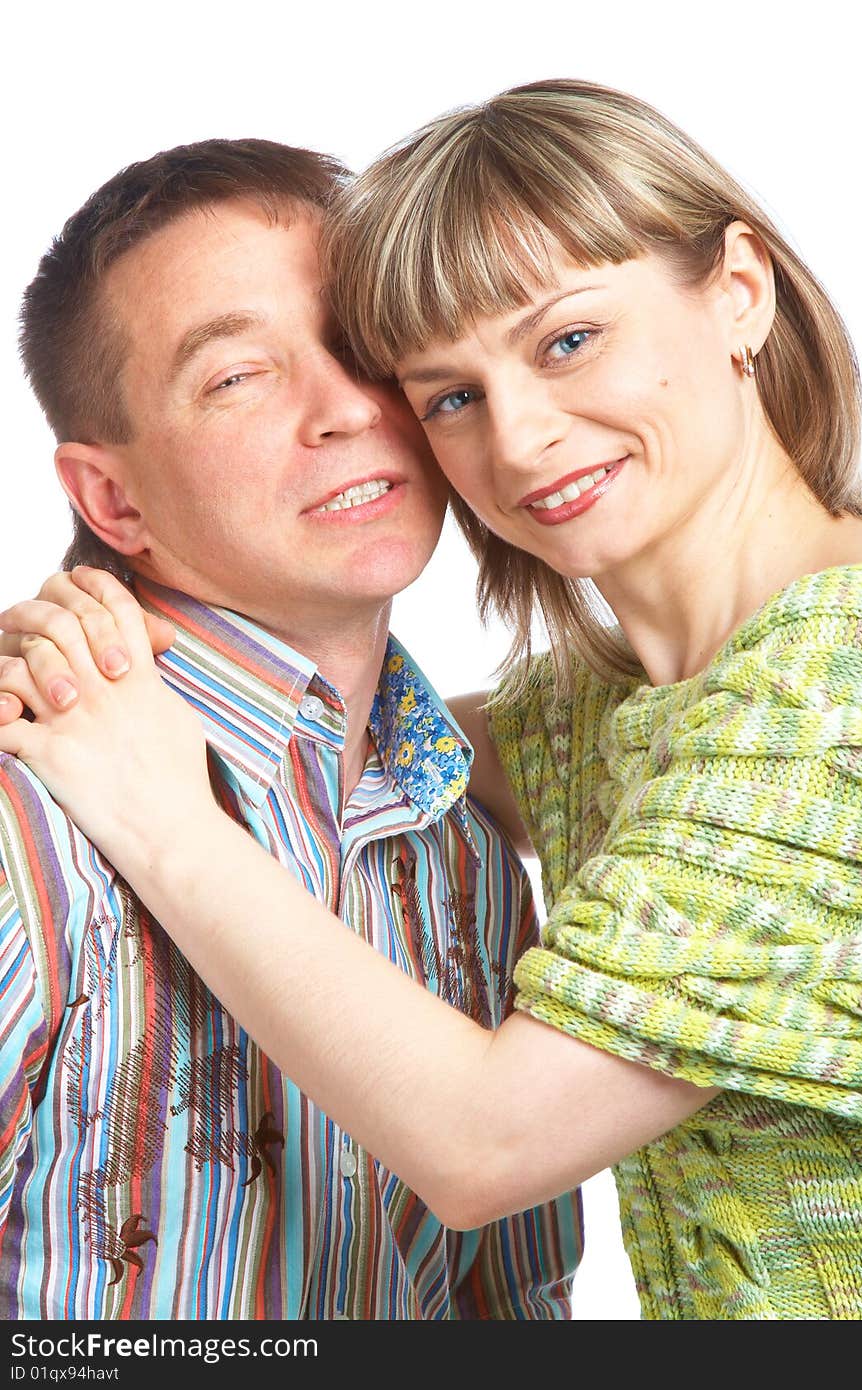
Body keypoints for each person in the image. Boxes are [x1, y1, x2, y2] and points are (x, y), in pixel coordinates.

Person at [3, 79, 862, 1320]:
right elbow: (383, 749)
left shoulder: (841, 701)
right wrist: (84, 659)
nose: (516, 440)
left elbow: (485, 1147)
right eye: (447, 393)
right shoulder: (564, 729)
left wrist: (164, 812)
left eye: (569, 339)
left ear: (737, 290)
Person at [0, 136, 584, 1320]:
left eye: (362, 345)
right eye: (236, 376)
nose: (346, 410)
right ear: (112, 500)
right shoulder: (29, 823)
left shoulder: (462, 846)